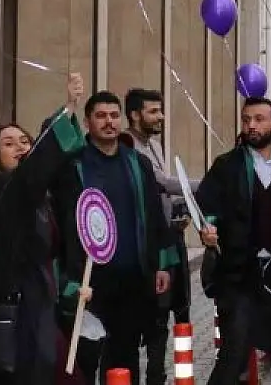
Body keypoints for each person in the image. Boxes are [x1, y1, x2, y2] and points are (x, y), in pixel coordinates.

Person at [0, 75, 88, 385]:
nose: (20, 146)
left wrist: (72, 286)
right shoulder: (1, 192)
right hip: (16, 311)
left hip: (41, 306)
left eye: (25, 141)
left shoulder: (38, 200)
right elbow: (34, 172)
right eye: (8, 143)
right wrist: (68, 109)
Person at [54, 91, 178, 385]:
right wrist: (68, 103)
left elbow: (154, 216)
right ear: (86, 122)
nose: (109, 122)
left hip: (132, 278)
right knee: (84, 359)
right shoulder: (73, 166)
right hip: (88, 283)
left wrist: (161, 264)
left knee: (125, 359)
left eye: (113, 115)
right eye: (100, 116)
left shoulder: (137, 163)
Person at [196, 97, 271, 385]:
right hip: (239, 273)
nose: (252, 125)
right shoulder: (227, 165)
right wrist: (208, 227)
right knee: (234, 354)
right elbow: (207, 207)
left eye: (259, 119)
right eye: (247, 119)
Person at [123, 87, 192, 385]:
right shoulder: (128, 147)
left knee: (173, 315)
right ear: (135, 115)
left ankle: (159, 376)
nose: (160, 116)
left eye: (160, 110)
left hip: (169, 240)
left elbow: (161, 194)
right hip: (145, 249)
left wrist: (181, 209)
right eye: (153, 111)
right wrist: (203, 187)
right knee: (151, 321)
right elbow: (161, 183)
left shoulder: (154, 145)